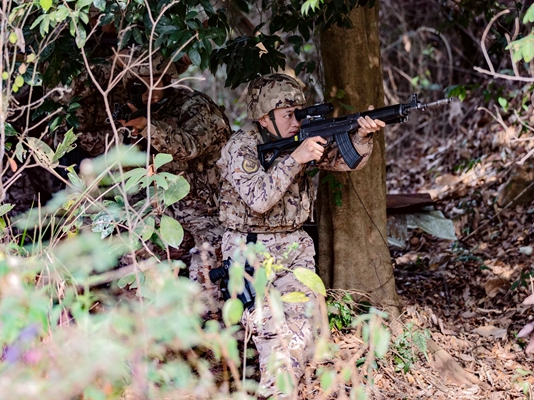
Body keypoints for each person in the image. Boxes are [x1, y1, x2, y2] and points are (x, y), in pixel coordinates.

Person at [217, 73, 385, 398]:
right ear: (264, 118)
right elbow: (258, 198)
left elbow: (345, 162)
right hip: (251, 252)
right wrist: (296, 158)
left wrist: (362, 136)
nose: (297, 121)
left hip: (295, 250)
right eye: (287, 115)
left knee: (303, 328)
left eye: (300, 112)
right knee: (275, 334)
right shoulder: (241, 147)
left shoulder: (302, 139)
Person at [118, 50, 232, 310]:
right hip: (167, 208)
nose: (149, 90)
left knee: (205, 272)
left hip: (208, 208)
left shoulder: (196, 106)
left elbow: (189, 146)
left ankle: (212, 337)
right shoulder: (148, 108)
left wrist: (148, 126)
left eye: (155, 81)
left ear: (169, 79)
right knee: (134, 260)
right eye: (142, 83)